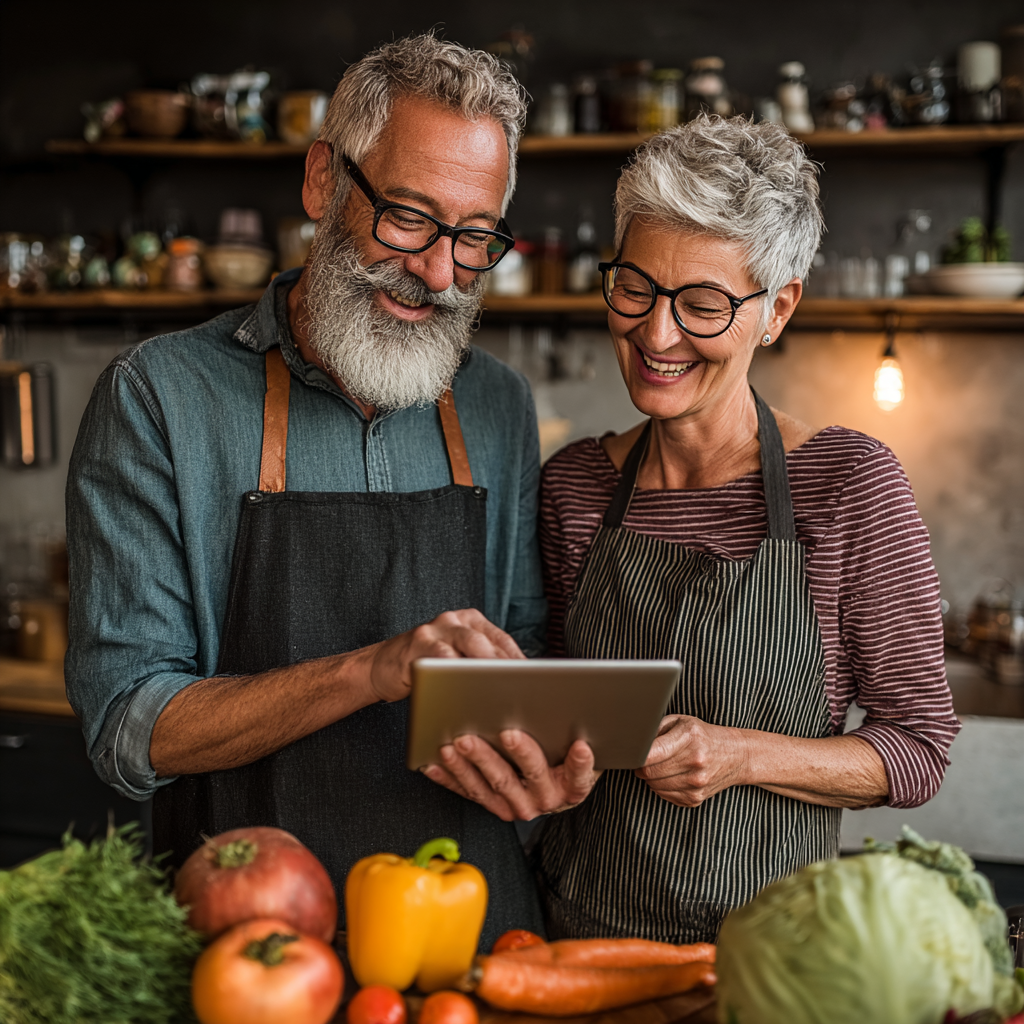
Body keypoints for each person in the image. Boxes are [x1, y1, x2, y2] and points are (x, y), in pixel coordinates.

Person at [422, 115, 960, 942]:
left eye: (703, 305)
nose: (655, 333)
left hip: (766, 958)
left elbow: (916, 750)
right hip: (574, 937)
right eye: (634, 287)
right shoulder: (576, 487)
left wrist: (744, 754)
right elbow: (556, 715)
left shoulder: (849, 486)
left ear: (776, 310)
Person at [65, 34, 546, 944]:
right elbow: (131, 728)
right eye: (408, 217)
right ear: (324, 181)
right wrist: (374, 670)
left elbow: (522, 651)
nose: (440, 273)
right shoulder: (159, 398)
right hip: (253, 941)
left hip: (466, 936)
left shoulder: (497, 406)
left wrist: (541, 760)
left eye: (474, 237)